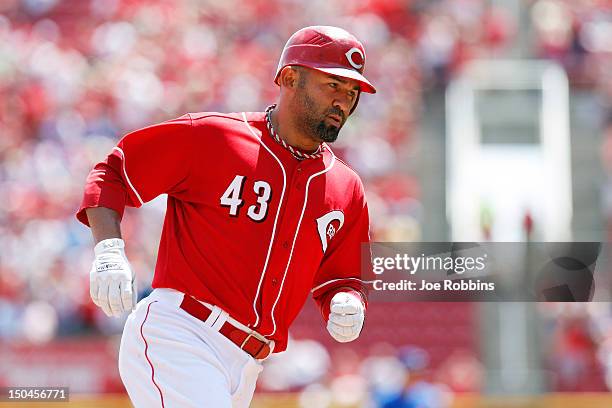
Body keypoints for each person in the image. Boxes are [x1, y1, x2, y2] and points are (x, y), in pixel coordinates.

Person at [76, 25, 376, 407]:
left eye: (352, 93)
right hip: (181, 333)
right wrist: (108, 249)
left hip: (248, 364)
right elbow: (115, 171)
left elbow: (344, 276)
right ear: (288, 78)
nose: (343, 102)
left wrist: (348, 299)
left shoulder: (345, 187)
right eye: (332, 85)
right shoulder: (214, 137)